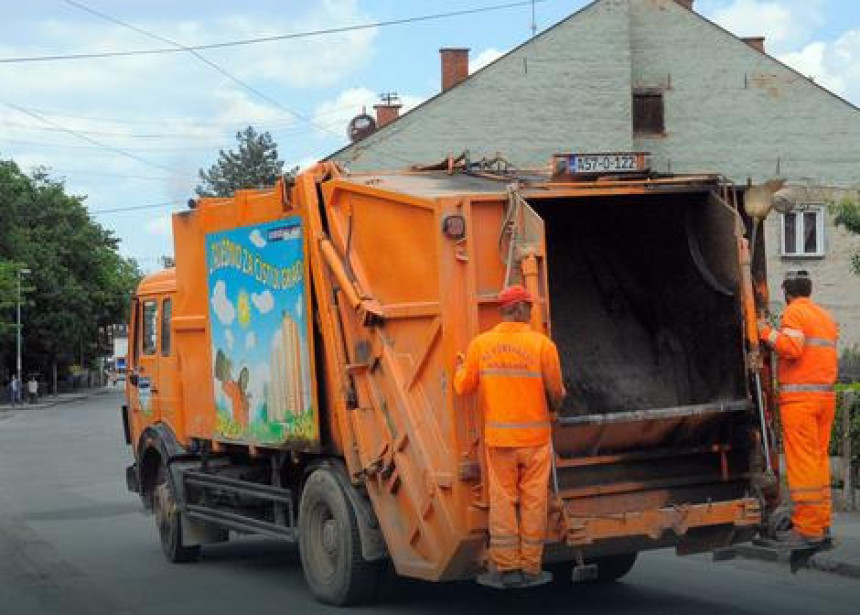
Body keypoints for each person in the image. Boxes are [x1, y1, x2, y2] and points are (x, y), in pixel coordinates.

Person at [454, 285, 565, 588]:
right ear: (519, 308)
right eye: (528, 306)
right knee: (533, 503)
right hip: (536, 440)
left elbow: (463, 387)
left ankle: (508, 569)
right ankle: (531, 567)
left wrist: (460, 367)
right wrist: (554, 406)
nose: (530, 312)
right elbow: (556, 392)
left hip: (500, 442)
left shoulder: (481, 345)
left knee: (503, 502)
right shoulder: (543, 346)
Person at [759, 270, 838, 548]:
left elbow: (792, 347)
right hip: (825, 400)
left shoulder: (794, 312)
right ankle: (821, 523)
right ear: (809, 290)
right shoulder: (823, 316)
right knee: (818, 462)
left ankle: (806, 530)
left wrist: (765, 332)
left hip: (800, 402)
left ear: (787, 293)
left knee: (802, 464)